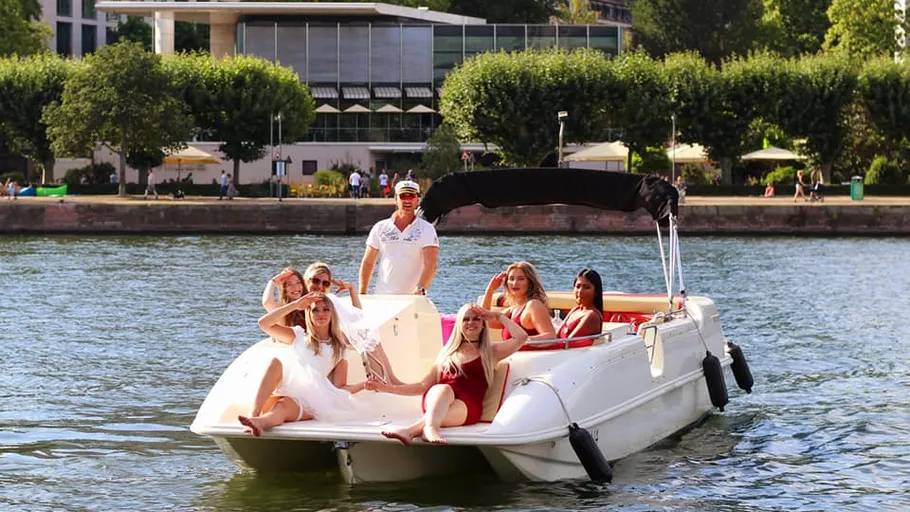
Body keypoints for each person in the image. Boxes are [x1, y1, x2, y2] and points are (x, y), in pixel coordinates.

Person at [368, 303, 529, 445]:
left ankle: (413, 430)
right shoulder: (447, 352)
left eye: (476, 319)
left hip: (467, 407)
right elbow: (422, 386)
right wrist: (385, 388)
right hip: (436, 400)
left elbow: (521, 337)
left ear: (482, 325)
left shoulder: (491, 351)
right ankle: (428, 428)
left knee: (443, 393)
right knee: (443, 389)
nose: (471, 323)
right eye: (466, 319)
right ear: (459, 323)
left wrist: (497, 315)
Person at [238, 293, 368, 437]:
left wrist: (364, 385)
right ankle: (253, 414)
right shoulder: (299, 335)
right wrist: (295, 305)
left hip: (311, 398)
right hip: (285, 387)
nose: (321, 314)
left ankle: (259, 423)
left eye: (325, 309)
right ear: (308, 313)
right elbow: (263, 324)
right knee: (275, 362)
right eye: (315, 310)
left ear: (332, 313)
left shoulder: (338, 347)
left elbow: (340, 387)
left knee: (282, 406)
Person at [359, 180, 439, 295]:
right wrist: (362, 293)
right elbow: (368, 262)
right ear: (396, 199)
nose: (407, 200)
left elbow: (431, 264)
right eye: (403, 196)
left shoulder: (427, 229)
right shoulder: (380, 227)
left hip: (414, 298)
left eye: (411, 196)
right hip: (382, 296)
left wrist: (420, 289)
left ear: (417, 200)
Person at [481, 261, 556, 342]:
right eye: (511, 279)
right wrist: (490, 291)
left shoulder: (533, 305)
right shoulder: (513, 310)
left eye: (521, 279)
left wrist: (520, 341)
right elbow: (485, 321)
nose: (515, 283)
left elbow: (550, 336)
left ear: (530, 283)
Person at [558, 269, 604, 339]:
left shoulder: (592, 316)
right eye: (578, 286)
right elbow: (555, 336)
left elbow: (568, 343)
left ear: (596, 292)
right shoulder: (575, 309)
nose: (580, 291)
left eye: (586, 288)